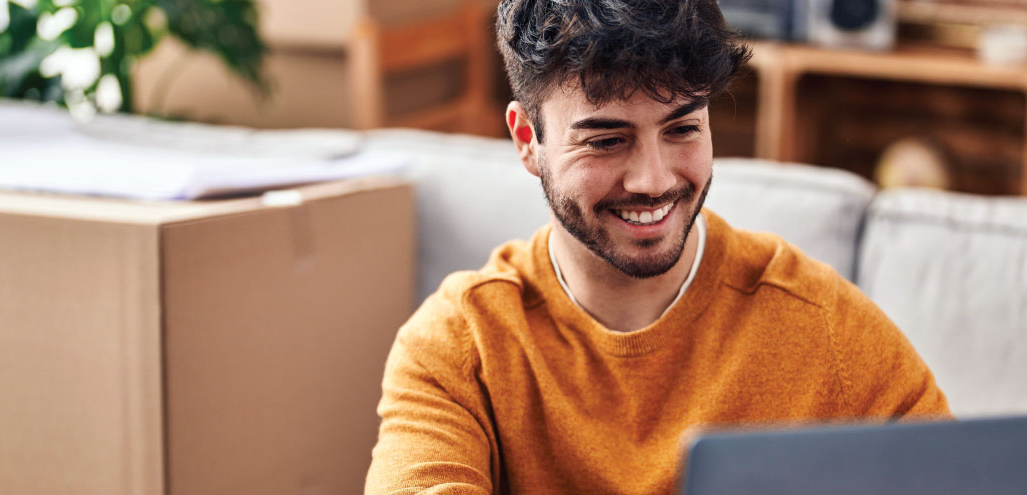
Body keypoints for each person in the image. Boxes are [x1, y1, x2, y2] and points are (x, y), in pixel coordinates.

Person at [365, 1, 950, 493]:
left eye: (682, 129)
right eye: (607, 140)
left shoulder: (825, 329)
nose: (653, 179)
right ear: (527, 140)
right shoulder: (459, 347)